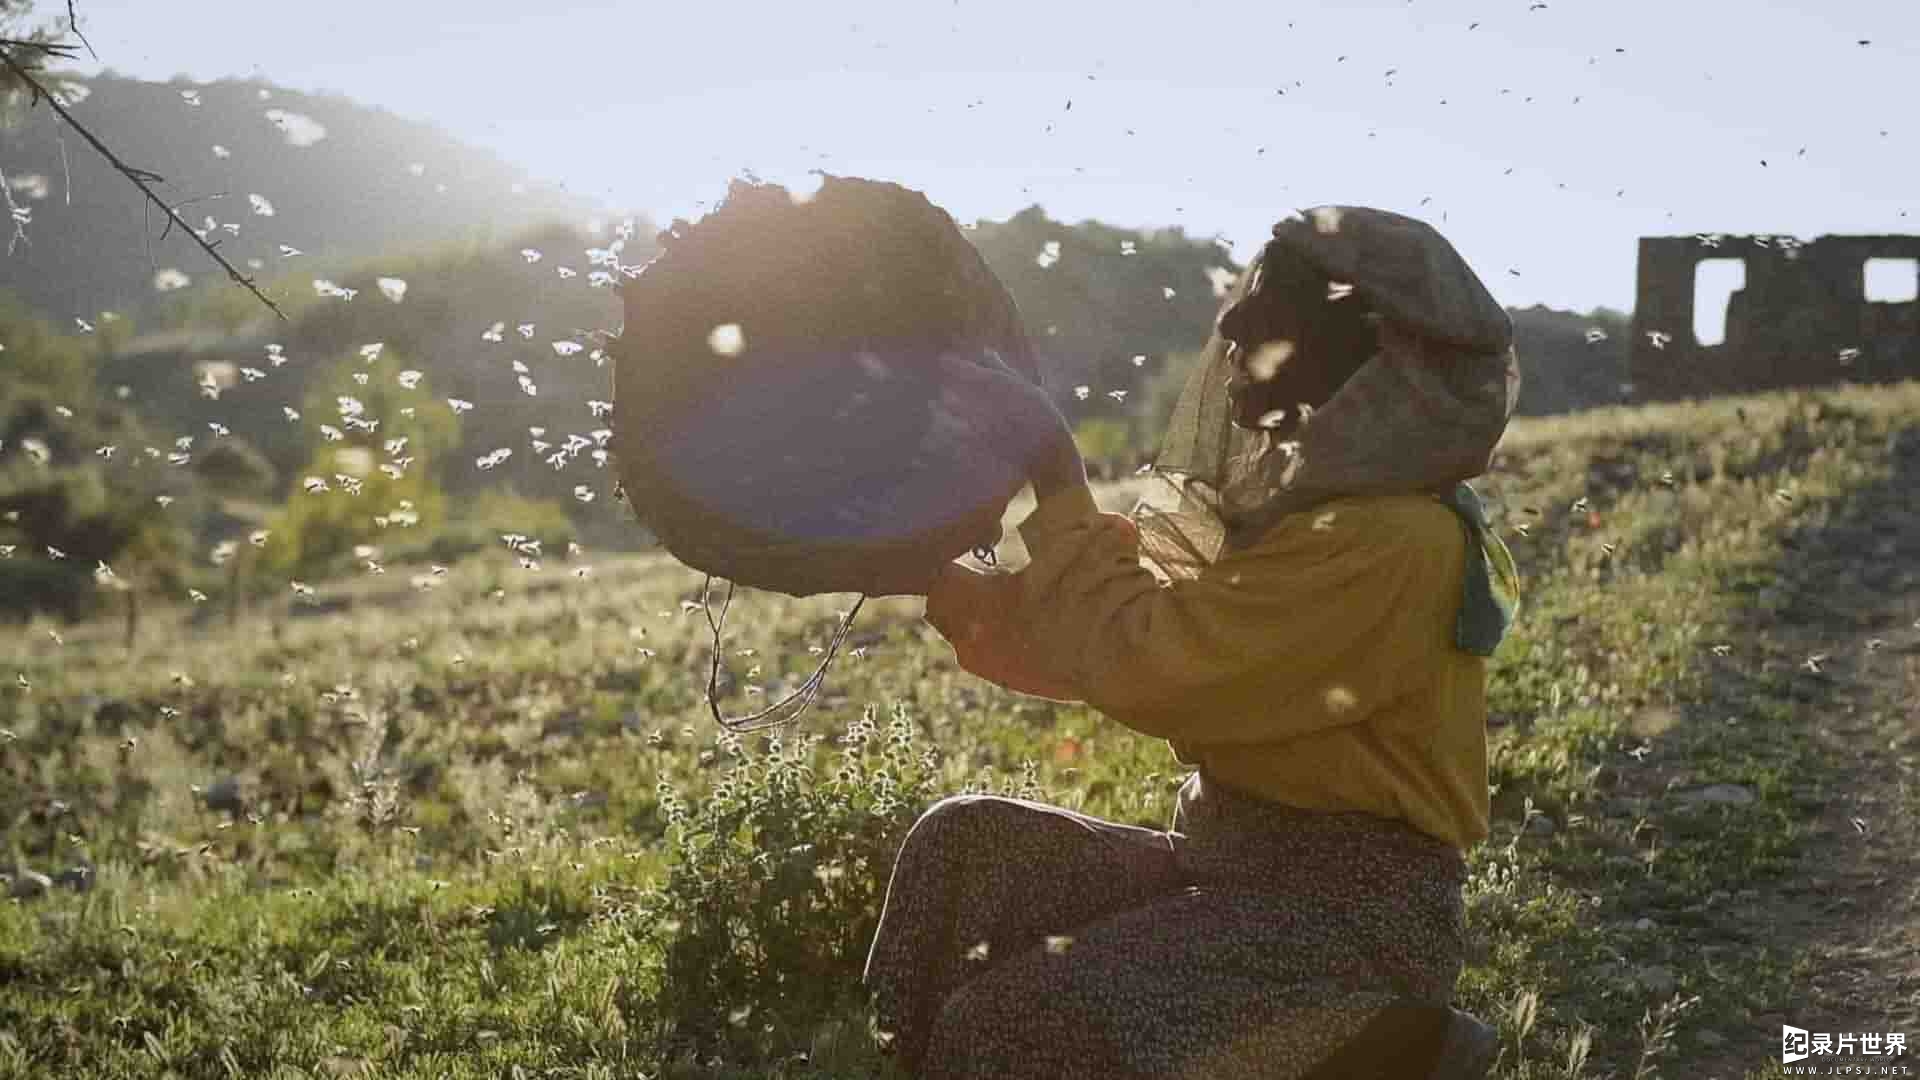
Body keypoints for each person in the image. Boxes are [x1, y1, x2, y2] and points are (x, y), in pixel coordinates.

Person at [863, 206, 1524, 1080]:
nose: (1239, 321)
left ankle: (1377, 1038)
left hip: (1342, 924)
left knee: (1015, 1023)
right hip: (1224, 868)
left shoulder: (1391, 538)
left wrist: (1057, 470)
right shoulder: (1324, 518)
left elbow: (1152, 666)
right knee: (968, 849)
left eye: (1282, 304)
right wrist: (953, 589)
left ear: (1370, 355)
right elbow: (1127, 647)